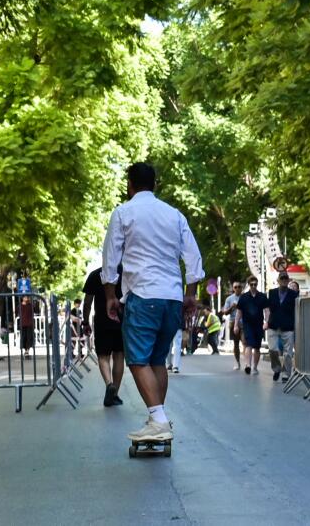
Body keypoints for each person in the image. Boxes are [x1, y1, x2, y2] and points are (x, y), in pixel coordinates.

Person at [101, 162, 204, 442]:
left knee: (136, 359)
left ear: (129, 185)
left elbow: (110, 258)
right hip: (171, 297)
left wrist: (111, 295)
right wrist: (190, 293)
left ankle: (158, 420)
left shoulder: (123, 213)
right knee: (158, 359)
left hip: (143, 294)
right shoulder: (174, 215)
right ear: (155, 184)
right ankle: (156, 418)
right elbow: (193, 258)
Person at [82, 266, 125, 407]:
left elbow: (87, 302)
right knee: (119, 356)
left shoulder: (95, 275)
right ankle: (115, 394)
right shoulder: (126, 273)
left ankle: (109, 384)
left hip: (102, 321)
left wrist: (85, 321)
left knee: (103, 356)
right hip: (122, 320)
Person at [266, 271, 299, 382]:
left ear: (288, 280)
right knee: (272, 349)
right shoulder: (271, 292)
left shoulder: (294, 294)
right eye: (282, 278)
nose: (284, 280)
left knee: (288, 353)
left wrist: (296, 325)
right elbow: (267, 308)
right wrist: (266, 321)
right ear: (278, 281)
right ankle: (276, 369)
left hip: (288, 326)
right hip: (273, 325)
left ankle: (286, 374)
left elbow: (297, 311)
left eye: (286, 278)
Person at [234, 275, 270, 375]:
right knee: (248, 344)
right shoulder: (244, 297)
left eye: (255, 284)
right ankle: (248, 365)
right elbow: (239, 312)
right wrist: (236, 325)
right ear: (249, 285)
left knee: (257, 347)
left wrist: (267, 322)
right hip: (247, 324)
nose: (253, 286)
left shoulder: (262, 296)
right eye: (251, 284)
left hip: (259, 324)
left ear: (257, 284)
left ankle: (255, 367)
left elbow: (267, 310)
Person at [222, 282, 244, 370]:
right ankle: (238, 362)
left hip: (244, 322)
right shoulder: (229, 299)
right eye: (236, 287)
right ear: (233, 288)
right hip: (233, 322)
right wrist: (232, 307)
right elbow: (225, 312)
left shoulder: (245, 297)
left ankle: (247, 362)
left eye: (239, 287)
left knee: (245, 342)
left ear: (241, 288)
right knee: (236, 344)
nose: (237, 288)